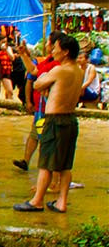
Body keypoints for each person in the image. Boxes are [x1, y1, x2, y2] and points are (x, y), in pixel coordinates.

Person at [15, 35, 81, 214]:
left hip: (55, 120)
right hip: (70, 120)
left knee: (46, 163)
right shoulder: (78, 70)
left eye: (55, 47)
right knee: (65, 165)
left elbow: (37, 83)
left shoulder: (60, 70)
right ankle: (62, 202)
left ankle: (37, 201)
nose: (52, 50)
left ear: (65, 52)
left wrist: (44, 83)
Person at [80, 39, 101, 109]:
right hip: (82, 90)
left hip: (92, 91)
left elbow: (89, 82)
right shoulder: (78, 68)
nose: (78, 60)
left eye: (81, 58)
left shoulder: (91, 68)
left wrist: (79, 88)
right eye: (78, 58)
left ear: (87, 60)